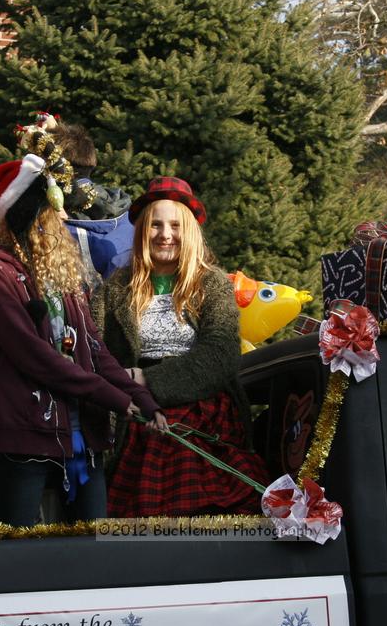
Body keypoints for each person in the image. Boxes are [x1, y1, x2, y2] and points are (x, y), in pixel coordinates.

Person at [0, 151, 165, 527]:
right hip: (26, 436)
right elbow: (35, 356)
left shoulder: (62, 270)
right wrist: (114, 398)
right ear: (28, 216)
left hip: (84, 438)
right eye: (51, 210)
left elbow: (94, 349)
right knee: (19, 554)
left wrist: (143, 399)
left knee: (93, 551)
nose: (62, 218)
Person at [92, 176, 268, 517]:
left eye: (174, 225)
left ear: (188, 230)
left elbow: (220, 354)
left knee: (177, 457)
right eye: (155, 225)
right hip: (134, 412)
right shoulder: (115, 289)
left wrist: (149, 381)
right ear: (142, 231)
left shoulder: (211, 283)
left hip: (203, 409)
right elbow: (95, 349)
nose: (165, 234)